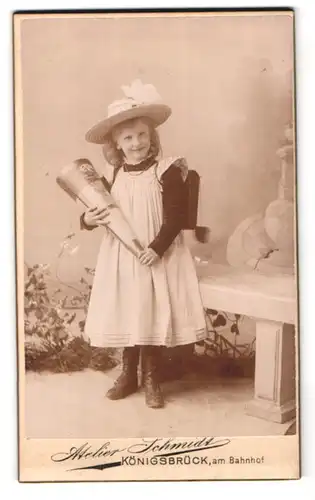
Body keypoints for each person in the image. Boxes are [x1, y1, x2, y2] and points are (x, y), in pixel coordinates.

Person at [81, 80, 207, 409]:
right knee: (128, 309)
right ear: (116, 145)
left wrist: (157, 248)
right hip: (122, 254)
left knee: (150, 311)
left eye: (142, 135)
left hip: (157, 253)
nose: (136, 143)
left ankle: (152, 376)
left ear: (152, 137)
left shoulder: (165, 171)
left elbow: (176, 217)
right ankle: (128, 374)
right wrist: (88, 220)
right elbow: (97, 209)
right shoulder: (112, 174)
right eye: (127, 138)